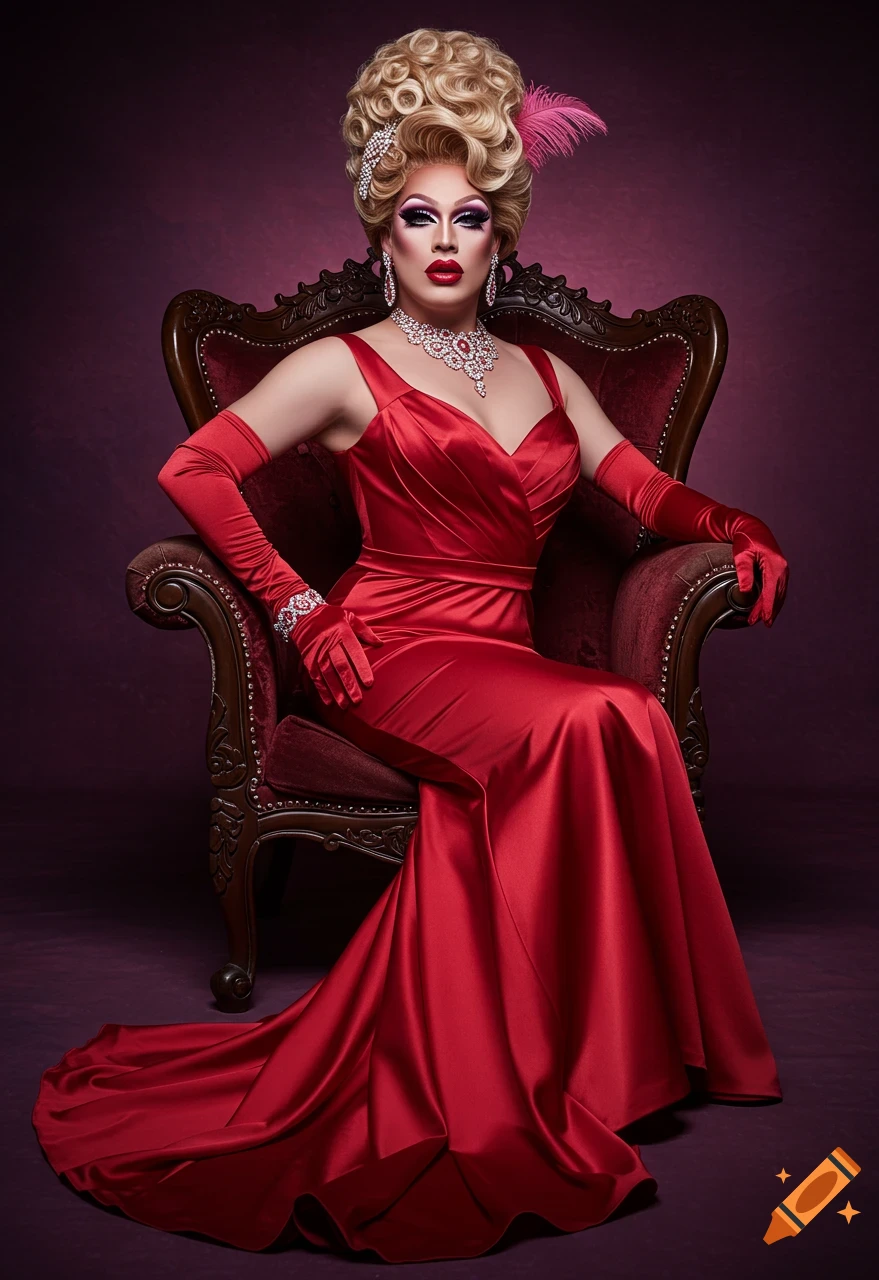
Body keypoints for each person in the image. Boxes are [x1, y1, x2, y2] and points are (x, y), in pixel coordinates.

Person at [32, 27, 789, 1264]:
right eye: (419, 218)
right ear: (383, 238)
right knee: (591, 716)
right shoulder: (341, 364)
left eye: (471, 217)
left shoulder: (545, 373)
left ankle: (613, 1059)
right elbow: (196, 468)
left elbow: (644, 492)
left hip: (506, 651)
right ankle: (559, 1070)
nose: (445, 241)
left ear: (503, 237)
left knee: (623, 715)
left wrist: (731, 523)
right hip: (386, 647)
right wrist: (296, 607)